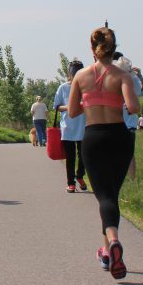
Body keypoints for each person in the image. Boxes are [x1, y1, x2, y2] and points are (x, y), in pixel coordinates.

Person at [68, 26, 140, 281]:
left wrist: (90, 101)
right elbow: (133, 107)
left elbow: (72, 112)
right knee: (111, 196)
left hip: (94, 138)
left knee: (104, 197)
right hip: (119, 137)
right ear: (113, 47)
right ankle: (108, 251)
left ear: (92, 48)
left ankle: (113, 242)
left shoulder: (81, 76)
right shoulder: (123, 76)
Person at [112, 53, 143, 181]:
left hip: (122, 123)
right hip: (125, 123)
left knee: (123, 154)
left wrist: (140, 76)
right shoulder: (130, 78)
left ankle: (124, 179)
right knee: (128, 154)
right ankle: (130, 180)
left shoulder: (124, 78)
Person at [53, 59, 87, 193]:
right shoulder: (63, 87)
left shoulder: (87, 86)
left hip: (84, 126)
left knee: (84, 155)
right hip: (67, 127)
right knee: (70, 157)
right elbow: (56, 106)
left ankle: (80, 176)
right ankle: (70, 183)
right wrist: (69, 107)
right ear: (70, 73)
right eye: (74, 71)